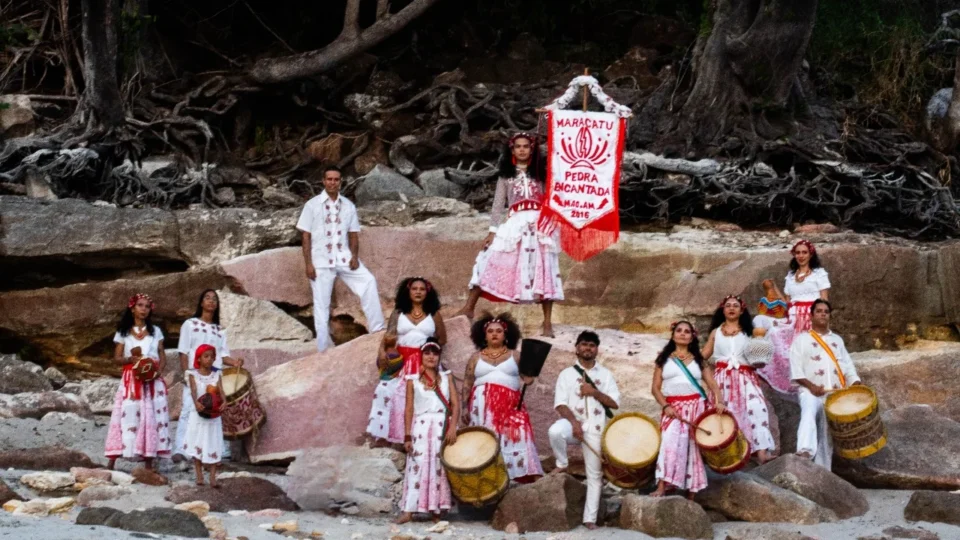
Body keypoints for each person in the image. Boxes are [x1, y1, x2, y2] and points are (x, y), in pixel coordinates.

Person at [455, 133, 564, 337]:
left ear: (532, 149)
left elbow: (553, 196)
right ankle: (469, 307)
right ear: (512, 150)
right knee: (487, 259)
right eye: (518, 147)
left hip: (540, 223)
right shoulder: (506, 175)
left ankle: (547, 323)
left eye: (526, 146)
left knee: (545, 269)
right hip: (515, 223)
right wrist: (492, 231)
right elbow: (498, 204)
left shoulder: (542, 173)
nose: (522, 150)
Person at [297, 164, 385, 351]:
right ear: (323, 181)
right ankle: (324, 348)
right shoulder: (312, 205)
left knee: (368, 281)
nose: (332, 182)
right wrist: (308, 264)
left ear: (340, 182)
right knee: (321, 304)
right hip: (320, 261)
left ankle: (378, 329)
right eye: (329, 179)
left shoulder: (348, 206)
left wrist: (354, 256)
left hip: (344, 257)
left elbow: (353, 234)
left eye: (336, 179)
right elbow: (306, 235)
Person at [548, 331, 619, 530]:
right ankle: (562, 463)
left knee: (594, 475)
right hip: (573, 424)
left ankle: (590, 518)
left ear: (597, 349)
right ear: (577, 347)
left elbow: (614, 403)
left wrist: (594, 392)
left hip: (596, 427)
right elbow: (560, 404)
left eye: (592, 345)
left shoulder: (605, 374)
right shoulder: (567, 374)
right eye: (584, 344)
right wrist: (574, 423)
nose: (588, 348)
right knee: (555, 431)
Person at [462, 313, 543, 481]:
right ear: (484, 335)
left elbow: (527, 378)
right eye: (490, 331)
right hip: (482, 408)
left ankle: (521, 476)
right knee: (486, 439)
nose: (494, 334)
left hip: (511, 405)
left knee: (517, 436)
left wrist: (530, 378)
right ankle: (489, 479)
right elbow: (467, 383)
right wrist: (464, 407)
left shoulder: (515, 355)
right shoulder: (475, 358)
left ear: (506, 335)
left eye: (499, 331)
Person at [367, 277, 447, 444]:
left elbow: (442, 339)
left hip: (423, 362)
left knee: (422, 396)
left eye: (422, 289)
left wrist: (429, 353)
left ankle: (419, 438)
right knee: (388, 391)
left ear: (428, 293)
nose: (418, 291)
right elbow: (388, 336)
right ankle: (391, 437)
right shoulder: (398, 313)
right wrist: (382, 352)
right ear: (408, 291)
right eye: (414, 289)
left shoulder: (434, 314)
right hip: (401, 362)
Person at [651, 321, 725, 498]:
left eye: (687, 332)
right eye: (679, 331)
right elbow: (655, 388)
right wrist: (666, 405)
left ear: (692, 336)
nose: (683, 334)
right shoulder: (663, 359)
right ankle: (663, 486)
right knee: (669, 444)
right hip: (673, 408)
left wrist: (719, 402)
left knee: (693, 447)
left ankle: (692, 493)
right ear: (673, 334)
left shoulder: (699, 359)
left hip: (696, 407)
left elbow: (713, 385)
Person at [701, 295, 776, 464]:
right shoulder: (716, 332)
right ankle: (731, 452)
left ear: (742, 310)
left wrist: (759, 357)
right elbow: (704, 355)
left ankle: (761, 452)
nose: (732, 308)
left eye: (736, 305)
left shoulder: (750, 331)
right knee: (726, 413)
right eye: (728, 305)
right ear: (723, 309)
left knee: (757, 408)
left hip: (745, 377)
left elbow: (758, 354)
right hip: (722, 379)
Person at [790, 299, 862, 470]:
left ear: (829, 316)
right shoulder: (801, 339)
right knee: (808, 410)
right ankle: (805, 451)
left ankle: (823, 469)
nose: (823, 314)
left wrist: (856, 382)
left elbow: (847, 365)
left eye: (826, 311)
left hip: (835, 393)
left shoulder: (837, 340)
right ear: (811, 315)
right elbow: (795, 368)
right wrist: (811, 386)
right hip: (810, 390)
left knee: (828, 431)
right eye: (819, 311)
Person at [104, 293, 172, 471]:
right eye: (140, 305)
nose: (144, 309)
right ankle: (113, 458)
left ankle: (148, 460)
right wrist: (130, 359)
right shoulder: (123, 332)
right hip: (132, 379)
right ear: (132, 308)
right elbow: (116, 358)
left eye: (147, 306)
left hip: (151, 379)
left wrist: (158, 371)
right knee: (127, 414)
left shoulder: (156, 331)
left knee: (150, 417)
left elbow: (162, 356)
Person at [173, 289, 243, 462]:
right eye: (207, 298)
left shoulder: (219, 330)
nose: (211, 301)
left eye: (215, 299)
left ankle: (211, 450)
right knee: (189, 410)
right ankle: (181, 449)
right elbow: (183, 351)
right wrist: (186, 373)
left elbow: (222, 355)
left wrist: (234, 362)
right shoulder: (190, 324)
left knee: (214, 411)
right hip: (194, 374)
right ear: (201, 303)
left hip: (213, 376)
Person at [396, 338, 459, 524]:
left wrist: (453, 427)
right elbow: (408, 409)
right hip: (421, 427)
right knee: (417, 465)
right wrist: (407, 435)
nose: (431, 356)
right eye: (427, 353)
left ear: (439, 356)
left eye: (435, 353)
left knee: (439, 467)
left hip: (441, 426)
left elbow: (455, 405)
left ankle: (436, 511)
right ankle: (408, 510)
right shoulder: (412, 380)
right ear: (421, 356)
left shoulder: (447, 377)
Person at [760, 239, 831, 394]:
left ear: (811, 254)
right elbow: (787, 302)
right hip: (793, 318)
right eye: (797, 252)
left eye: (804, 252)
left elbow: (824, 300)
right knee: (774, 335)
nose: (801, 256)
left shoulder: (819, 274)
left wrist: (820, 318)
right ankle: (794, 383)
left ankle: (816, 384)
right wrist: (774, 288)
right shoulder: (791, 276)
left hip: (811, 317)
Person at [183, 344, 225, 487]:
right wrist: (196, 403)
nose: (209, 359)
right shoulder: (192, 374)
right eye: (205, 356)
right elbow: (194, 390)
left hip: (213, 414)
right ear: (199, 359)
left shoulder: (217, 374)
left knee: (213, 442)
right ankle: (199, 476)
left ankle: (213, 477)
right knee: (197, 442)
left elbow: (221, 390)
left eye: (211, 356)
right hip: (198, 413)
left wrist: (224, 401)